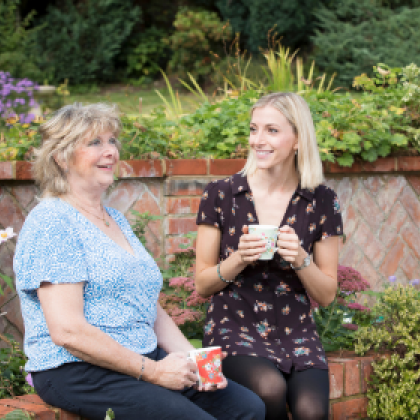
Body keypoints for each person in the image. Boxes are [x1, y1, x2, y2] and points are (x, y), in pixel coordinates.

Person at [14, 103, 265, 420]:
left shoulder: (113, 218)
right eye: (95, 143)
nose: (110, 152)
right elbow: (68, 332)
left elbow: (146, 304)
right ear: (61, 158)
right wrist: (154, 372)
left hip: (139, 357)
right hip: (77, 370)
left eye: (112, 141)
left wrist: (192, 357)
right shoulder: (53, 222)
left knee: (246, 407)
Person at [195, 92, 343, 420]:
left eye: (272, 131)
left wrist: (302, 259)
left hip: (296, 330)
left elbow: (327, 294)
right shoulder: (220, 194)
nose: (258, 140)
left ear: (298, 140)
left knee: (311, 410)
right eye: (253, 129)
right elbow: (203, 284)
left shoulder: (321, 201)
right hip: (233, 325)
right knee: (268, 390)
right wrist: (238, 259)